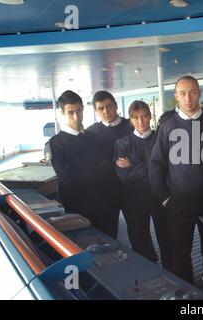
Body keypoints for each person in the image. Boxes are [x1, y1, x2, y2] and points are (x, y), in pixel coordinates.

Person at [149, 76, 203, 299]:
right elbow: (156, 165)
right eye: (183, 93)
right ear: (176, 96)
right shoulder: (167, 126)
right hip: (178, 202)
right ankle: (185, 296)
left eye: (193, 92)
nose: (188, 98)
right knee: (180, 253)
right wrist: (165, 199)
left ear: (199, 93)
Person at [114, 100, 171, 268]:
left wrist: (134, 166)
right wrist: (152, 168)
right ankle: (148, 270)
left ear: (150, 116)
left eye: (144, 116)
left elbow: (168, 169)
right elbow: (123, 175)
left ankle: (171, 270)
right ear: (130, 119)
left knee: (167, 237)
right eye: (136, 117)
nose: (141, 122)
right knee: (140, 240)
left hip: (160, 196)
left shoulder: (160, 138)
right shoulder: (122, 143)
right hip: (135, 199)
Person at [48, 90, 102, 224]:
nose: (76, 117)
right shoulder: (56, 143)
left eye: (78, 111)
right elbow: (66, 176)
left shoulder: (94, 137)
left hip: (100, 201)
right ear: (62, 113)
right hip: (74, 203)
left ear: (83, 109)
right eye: (70, 112)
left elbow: (102, 166)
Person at [86, 90, 132, 239]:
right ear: (96, 111)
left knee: (138, 232)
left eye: (109, 106)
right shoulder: (91, 133)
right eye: (101, 108)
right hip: (106, 191)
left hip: (131, 188)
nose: (106, 111)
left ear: (116, 106)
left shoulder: (130, 126)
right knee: (108, 234)